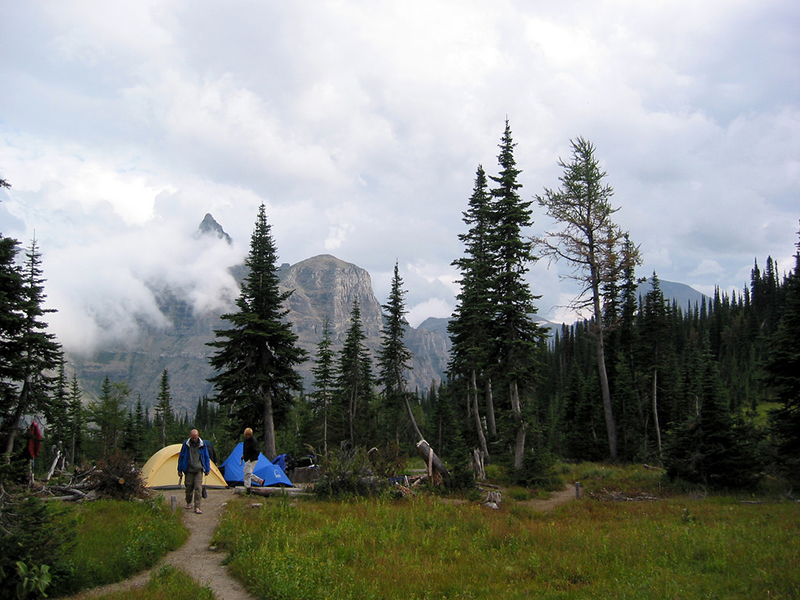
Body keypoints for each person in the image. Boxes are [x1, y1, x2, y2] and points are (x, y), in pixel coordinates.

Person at [177, 429, 210, 514]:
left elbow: (206, 457)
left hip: (199, 469)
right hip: (188, 469)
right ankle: (188, 502)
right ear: (190, 436)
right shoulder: (186, 444)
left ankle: (197, 507)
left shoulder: (202, 445)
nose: (194, 439)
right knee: (189, 487)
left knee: (198, 488)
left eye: (195, 438)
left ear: (198, 436)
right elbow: (181, 457)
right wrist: (179, 469)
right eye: (192, 438)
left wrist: (207, 469)